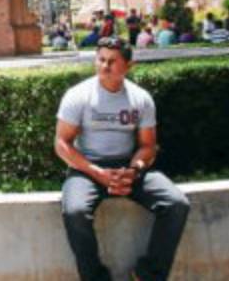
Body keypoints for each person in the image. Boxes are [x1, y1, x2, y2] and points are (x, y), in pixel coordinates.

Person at [56, 37, 190, 281]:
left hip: (128, 167)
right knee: (75, 211)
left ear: (128, 66)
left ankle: (147, 275)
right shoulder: (78, 95)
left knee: (176, 203)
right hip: (87, 169)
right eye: (101, 60)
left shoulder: (141, 98)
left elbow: (148, 146)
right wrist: (97, 173)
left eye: (112, 61)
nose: (104, 66)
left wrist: (134, 169)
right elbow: (62, 144)